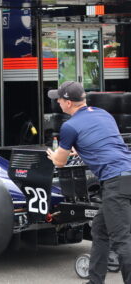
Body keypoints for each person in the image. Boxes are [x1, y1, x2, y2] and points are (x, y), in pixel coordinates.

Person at [45, 81, 131, 284]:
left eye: (58, 98)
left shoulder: (69, 126)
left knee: (122, 239)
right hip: (126, 173)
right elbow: (105, 142)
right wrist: (80, 147)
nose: (56, 101)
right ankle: (95, 281)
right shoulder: (103, 113)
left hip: (115, 181)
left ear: (67, 103)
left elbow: (60, 161)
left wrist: (53, 155)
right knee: (100, 230)